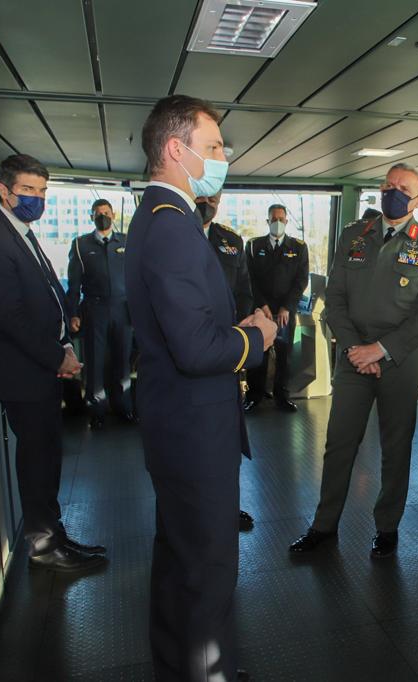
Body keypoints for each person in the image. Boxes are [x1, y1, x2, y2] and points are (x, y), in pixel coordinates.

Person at [125, 94, 276, 682]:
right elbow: (195, 349)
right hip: (194, 430)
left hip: (177, 422)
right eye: (213, 147)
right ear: (175, 149)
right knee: (207, 572)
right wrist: (256, 337)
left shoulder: (164, 218)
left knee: (178, 564)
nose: (223, 157)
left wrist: (232, 330)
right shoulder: (173, 228)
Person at [289, 163, 418, 559]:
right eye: (388, 185)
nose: (393, 192)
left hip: (402, 358)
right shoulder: (353, 235)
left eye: (403, 188)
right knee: (339, 442)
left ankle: (387, 528)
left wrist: (380, 349)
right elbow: (335, 300)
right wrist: (354, 349)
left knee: (396, 446)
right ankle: (323, 525)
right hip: (353, 355)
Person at [0, 154, 106, 573]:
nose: (37, 198)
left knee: (48, 457)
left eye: (42, 191)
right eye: (28, 190)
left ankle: (55, 533)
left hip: (40, 367)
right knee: (36, 461)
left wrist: (63, 341)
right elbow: (9, 316)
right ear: (3, 190)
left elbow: (46, 295)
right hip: (24, 373)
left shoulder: (20, 233)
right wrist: (57, 356)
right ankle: (44, 545)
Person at [194, 191, 257, 532]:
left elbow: (244, 289)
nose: (208, 204)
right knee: (195, 439)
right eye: (203, 196)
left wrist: (242, 330)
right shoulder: (175, 234)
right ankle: (199, 510)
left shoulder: (231, 241)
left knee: (227, 435)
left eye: (215, 199)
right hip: (190, 348)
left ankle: (227, 505)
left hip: (228, 348)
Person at [66, 199, 134, 430]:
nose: (102, 216)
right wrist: (73, 314)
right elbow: (73, 286)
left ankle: (124, 406)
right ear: (92, 217)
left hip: (123, 309)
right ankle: (97, 410)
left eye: (106, 212)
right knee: (94, 362)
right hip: (95, 310)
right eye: (98, 213)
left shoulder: (127, 241)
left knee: (123, 360)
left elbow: (137, 278)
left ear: (113, 215)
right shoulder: (80, 245)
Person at [244, 203, 309, 412]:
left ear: (286, 221)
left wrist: (286, 307)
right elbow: (249, 279)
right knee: (258, 354)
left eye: (281, 219)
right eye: (274, 219)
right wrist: (261, 305)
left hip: (284, 312)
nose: (278, 223)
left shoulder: (298, 247)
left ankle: (282, 397)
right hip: (260, 310)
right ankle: (254, 396)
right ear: (267, 221)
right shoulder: (253, 246)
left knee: (284, 356)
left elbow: (301, 281)